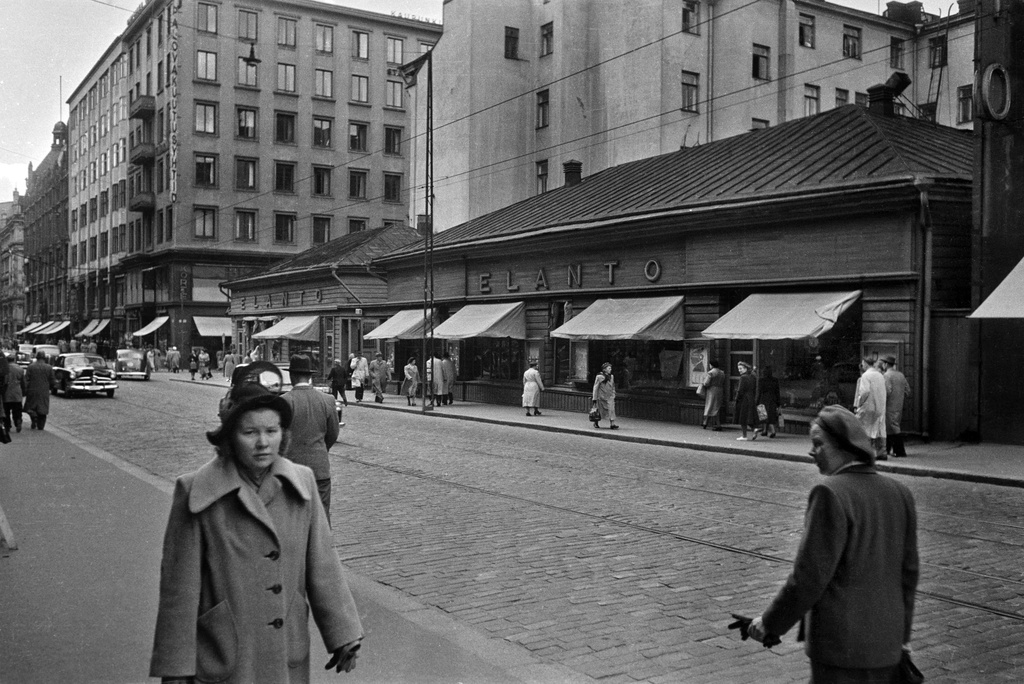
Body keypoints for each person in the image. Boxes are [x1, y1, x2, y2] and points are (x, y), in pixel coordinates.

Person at [149, 382, 362, 683]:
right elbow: (179, 590)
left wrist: (344, 634)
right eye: (250, 433)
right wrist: (175, 669)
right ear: (230, 437)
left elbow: (323, 565)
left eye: (272, 431)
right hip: (225, 655)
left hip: (285, 650)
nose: (263, 442)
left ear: (284, 435)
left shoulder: (302, 484)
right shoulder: (197, 493)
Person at [747, 405, 919, 683]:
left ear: (844, 446)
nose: (811, 452)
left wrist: (769, 624)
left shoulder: (829, 493)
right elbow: (908, 576)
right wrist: (903, 637)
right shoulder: (900, 493)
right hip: (888, 647)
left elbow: (808, 577)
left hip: (841, 650)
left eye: (818, 444)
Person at [281, 355, 340, 524]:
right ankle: (322, 549)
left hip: (292, 470)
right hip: (319, 468)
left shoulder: (284, 401)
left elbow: (279, 437)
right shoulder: (327, 400)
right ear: (310, 376)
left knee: (293, 519)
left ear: (292, 376)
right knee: (321, 518)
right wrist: (320, 449)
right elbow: (333, 434)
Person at [854, 357, 887, 460]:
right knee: (879, 429)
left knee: (863, 428)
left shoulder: (865, 376)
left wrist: (859, 403)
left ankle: (865, 453)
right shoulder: (880, 375)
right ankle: (881, 452)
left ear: (865, 363)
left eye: (863, 363)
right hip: (880, 406)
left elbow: (864, 392)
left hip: (868, 406)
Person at [881, 355, 911, 458]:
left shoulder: (886, 376)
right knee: (891, 427)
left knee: (893, 427)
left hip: (889, 406)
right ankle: (888, 449)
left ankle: (900, 451)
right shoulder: (901, 375)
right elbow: (908, 391)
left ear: (885, 364)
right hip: (899, 406)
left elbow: (887, 391)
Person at [24, 351, 57, 430]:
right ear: (44, 358)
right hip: (44, 391)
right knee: (43, 408)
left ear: (37, 357)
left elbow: (26, 380)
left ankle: (34, 417)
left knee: (31, 406)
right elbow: (52, 380)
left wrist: (25, 389)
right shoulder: (49, 367)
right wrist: (51, 387)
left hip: (32, 390)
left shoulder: (31, 367)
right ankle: (40, 425)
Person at [734, 361, 759, 441]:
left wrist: (737, 399)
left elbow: (740, 390)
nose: (739, 370)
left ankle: (744, 436)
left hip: (744, 399)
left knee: (742, 417)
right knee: (748, 416)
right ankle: (754, 429)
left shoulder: (743, 377)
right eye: (738, 369)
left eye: (741, 368)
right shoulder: (752, 376)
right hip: (751, 398)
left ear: (745, 368)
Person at [591, 361, 618, 429]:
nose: (610, 369)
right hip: (601, 397)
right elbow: (595, 387)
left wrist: (613, 394)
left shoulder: (611, 376)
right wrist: (594, 398)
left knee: (611, 409)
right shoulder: (599, 376)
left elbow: (613, 386)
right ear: (604, 369)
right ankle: (596, 422)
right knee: (599, 410)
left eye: (610, 368)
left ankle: (612, 424)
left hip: (610, 396)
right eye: (609, 368)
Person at [756, 365, 781, 438]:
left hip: (763, 399)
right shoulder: (775, 380)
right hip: (772, 399)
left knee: (763, 416)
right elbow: (777, 392)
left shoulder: (761, 380)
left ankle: (766, 431)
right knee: (771, 416)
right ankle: (771, 431)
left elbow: (759, 391)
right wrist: (778, 403)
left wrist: (757, 402)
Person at [701, 360, 726, 431]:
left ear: (711, 365)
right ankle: (708, 423)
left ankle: (706, 423)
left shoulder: (711, 373)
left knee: (709, 405)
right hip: (720, 390)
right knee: (716, 406)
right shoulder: (722, 373)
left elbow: (706, 383)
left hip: (711, 390)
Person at [3, 353, 25, 433]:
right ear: (14, 360)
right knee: (17, 410)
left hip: (6, 393)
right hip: (17, 392)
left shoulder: (4, 368)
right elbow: (23, 382)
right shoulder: (20, 369)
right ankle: (18, 420)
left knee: (6, 411)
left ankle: (7, 425)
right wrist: (24, 391)